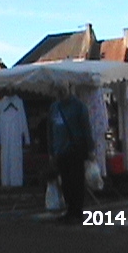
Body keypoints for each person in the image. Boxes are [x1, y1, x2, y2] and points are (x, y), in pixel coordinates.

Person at [47, 82, 94, 224]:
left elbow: (86, 127)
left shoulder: (78, 106)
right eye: (58, 90)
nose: (60, 92)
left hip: (75, 150)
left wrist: (90, 148)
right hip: (60, 151)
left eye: (63, 89)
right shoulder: (54, 108)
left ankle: (77, 211)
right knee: (66, 183)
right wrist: (51, 151)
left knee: (76, 182)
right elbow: (50, 130)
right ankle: (69, 210)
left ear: (70, 88)